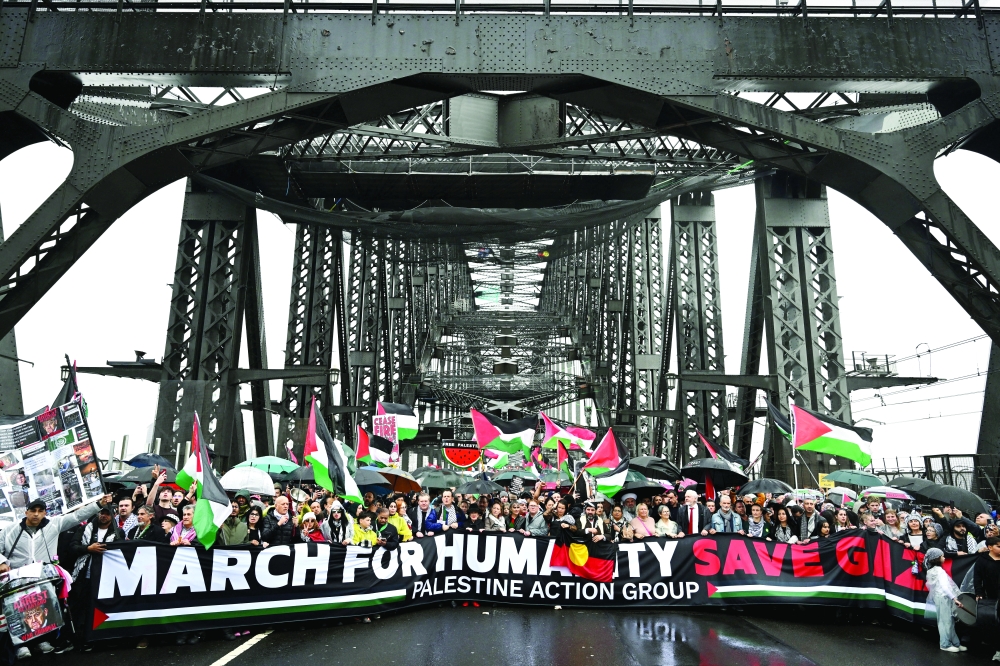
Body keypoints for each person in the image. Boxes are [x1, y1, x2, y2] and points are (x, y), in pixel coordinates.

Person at [924, 547, 966, 653]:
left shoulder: (931, 571)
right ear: (936, 558)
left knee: (948, 621)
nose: (944, 557)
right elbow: (944, 586)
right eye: (942, 556)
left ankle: (955, 642)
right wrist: (954, 598)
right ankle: (945, 644)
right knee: (945, 621)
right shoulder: (939, 571)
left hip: (940, 597)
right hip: (944, 597)